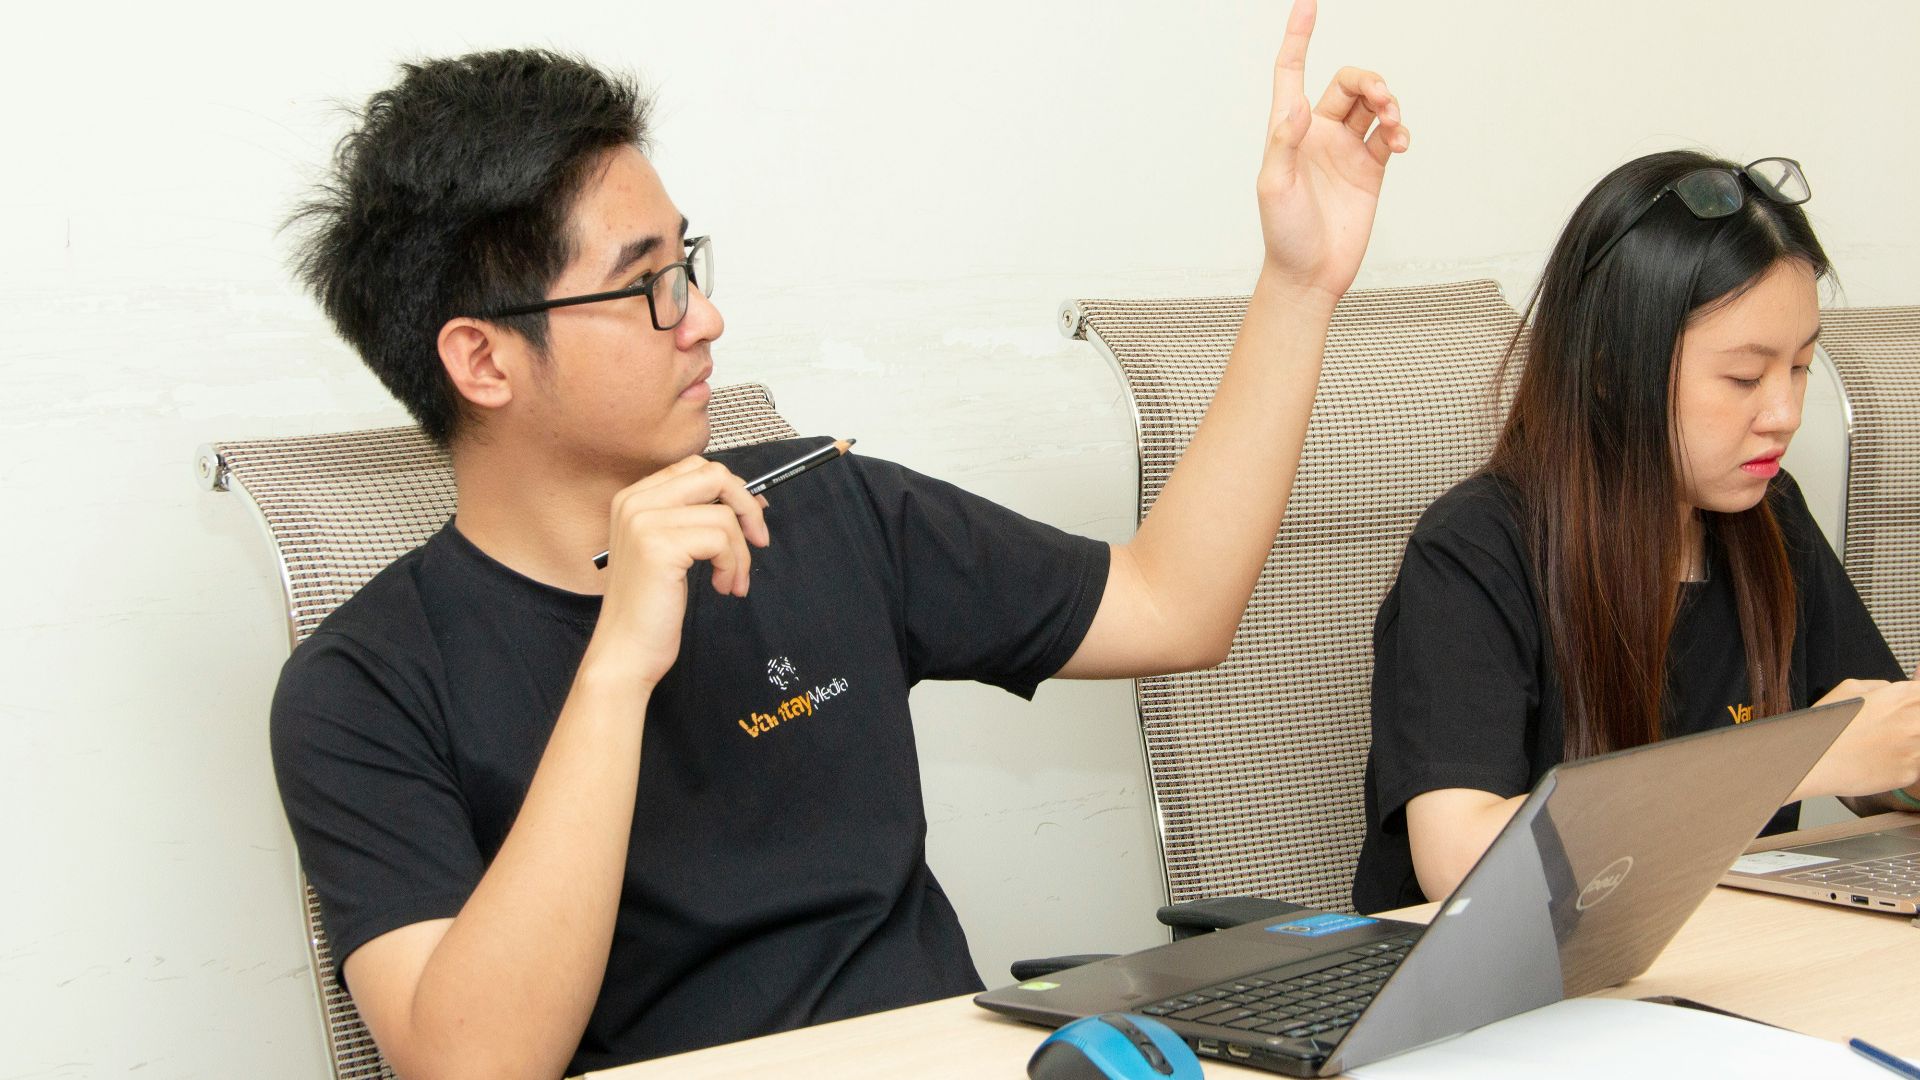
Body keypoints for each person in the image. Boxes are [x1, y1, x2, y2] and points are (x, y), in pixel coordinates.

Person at [270, 4, 1411, 1076]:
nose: (702, 316)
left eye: (689, 264)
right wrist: (618, 667)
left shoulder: (816, 506)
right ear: (483, 361)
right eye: (648, 287)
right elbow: (472, 1060)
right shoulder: (362, 686)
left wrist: (1300, 283)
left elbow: (1174, 605)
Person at [1353, 150, 1920, 915]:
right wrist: (1794, 761)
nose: (1783, 412)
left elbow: (1875, 751)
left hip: (1713, 954)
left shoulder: (1768, 518)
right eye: (1745, 378)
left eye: (1802, 367)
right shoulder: (1477, 551)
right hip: (1506, 996)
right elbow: (1459, 858)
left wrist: (1896, 761)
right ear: (1613, 371)